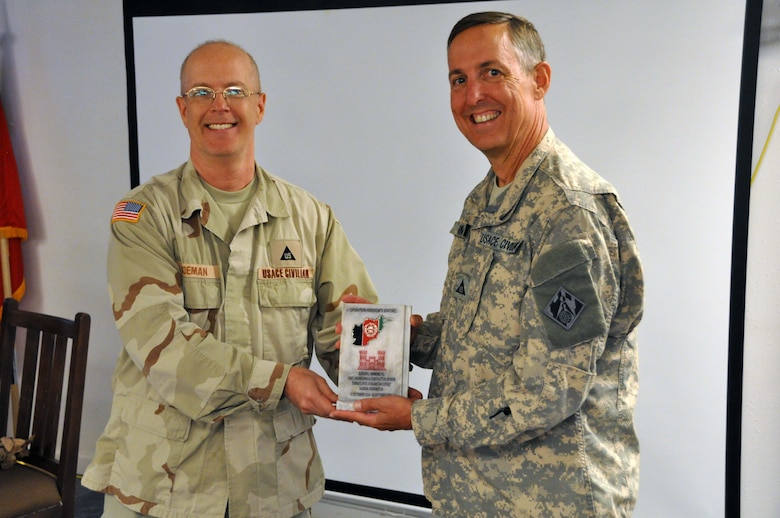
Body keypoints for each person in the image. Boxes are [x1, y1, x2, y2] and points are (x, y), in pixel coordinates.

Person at [331, 12, 644, 517]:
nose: (473, 94)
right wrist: (402, 339)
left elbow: (550, 388)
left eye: (492, 72)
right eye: (459, 79)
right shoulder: (487, 198)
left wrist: (418, 417)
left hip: (548, 503)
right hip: (476, 496)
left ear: (539, 80)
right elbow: (482, 335)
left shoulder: (569, 214)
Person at [81, 40, 377, 518]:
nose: (219, 105)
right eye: (201, 92)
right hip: (164, 487)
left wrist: (377, 376)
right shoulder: (144, 215)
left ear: (260, 106)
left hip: (273, 485)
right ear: (182, 109)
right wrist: (281, 380)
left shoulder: (309, 217)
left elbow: (348, 325)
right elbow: (160, 341)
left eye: (235, 90)